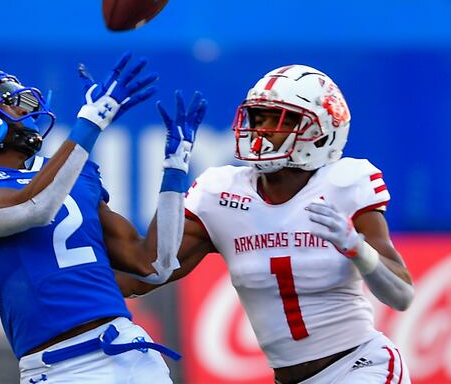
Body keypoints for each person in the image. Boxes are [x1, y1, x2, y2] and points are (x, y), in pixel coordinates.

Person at [0, 54, 207, 384]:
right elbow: (34, 208)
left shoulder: (72, 171)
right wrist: (92, 121)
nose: (23, 110)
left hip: (133, 351)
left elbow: (155, 264)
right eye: (6, 103)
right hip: (63, 368)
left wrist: (175, 170)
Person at [119, 65, 414, 384]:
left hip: (359, 365)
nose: (261, 129)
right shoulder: (221, 192)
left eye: (280, 120)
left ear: (322, 131)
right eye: (258, 118)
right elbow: (146, 275)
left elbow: (402, 296)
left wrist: (359, 249)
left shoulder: (345, 183)